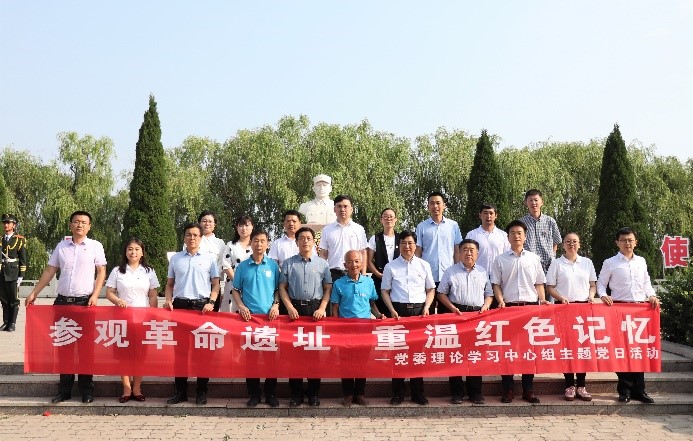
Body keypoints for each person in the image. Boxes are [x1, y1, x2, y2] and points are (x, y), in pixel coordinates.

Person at [25, 211, 107, 404]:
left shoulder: (95, 246)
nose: (80, 225)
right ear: (70, 225)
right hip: (62, 303)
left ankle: (87, 391)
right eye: (76, 221)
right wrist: (34, 293)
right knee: (64, 348)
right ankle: (64, 391)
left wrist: (95, 295)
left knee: (86, 349)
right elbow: (50, 270)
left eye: (84, 222)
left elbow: (101, 271)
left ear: (89, 227)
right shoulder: (61, 246)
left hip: (85, 303)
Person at [597, 227, 659, 404]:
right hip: (619, 310)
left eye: (630, 240)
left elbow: (646, 283)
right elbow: (601, 284)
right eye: (623, 240)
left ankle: (640, 390)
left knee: (638, 351)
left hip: (639, 311)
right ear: (617, 243)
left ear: (635, 242)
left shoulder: (641, 261)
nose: (627, 243)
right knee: (622, 350)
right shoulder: (610, 262)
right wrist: (603, 295)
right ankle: (624, 390)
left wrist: (652, 295)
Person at [491, 219, 549, 404]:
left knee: (528, 350)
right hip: (508, 308)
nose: (516, 236)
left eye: (519, 233)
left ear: (525, 237)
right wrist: (500, 300)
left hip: (529, 308)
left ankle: (528, 390)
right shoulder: (500, 260)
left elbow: (539, 283)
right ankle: (508, 390)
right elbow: (496, 284)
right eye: (512, 233)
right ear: (508, 237)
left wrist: (542, 300)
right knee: (507, 350)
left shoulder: (533, 258)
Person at [164, 222, 220, 406]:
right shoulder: (176, 259)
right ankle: (180, 392)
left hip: (201, 308)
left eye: (196, 235)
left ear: (201, 238)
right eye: (189, 234)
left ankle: (201, 392)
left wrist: (212, 302)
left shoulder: (209, 259)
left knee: (203, 353)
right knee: (180, 352)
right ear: (184, 237)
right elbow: (169, 284)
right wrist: (168, 300)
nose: (192, 238)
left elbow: (216, 285)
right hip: (180, 307)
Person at [278, 226, 332, 407]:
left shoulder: (323, 264)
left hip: (314, 310)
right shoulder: (288, 263)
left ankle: (313, 394)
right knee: (294, 354)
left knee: (314, 354)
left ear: (314, 241)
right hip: (294, 311)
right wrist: (289, 307)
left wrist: (322, 308)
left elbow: (328, 288)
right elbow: (282, 287)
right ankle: (296, 394)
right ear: (297, 241)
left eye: (309, 238)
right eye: (302, 238)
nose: (305, 241)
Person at [380, 230, 435, 406]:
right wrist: (391, 310)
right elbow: (385, 290)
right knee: (398, 353)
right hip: (398, 312)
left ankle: (418, 393)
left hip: (419, 313)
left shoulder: (424, 265)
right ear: (399, 245)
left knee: (418, 354)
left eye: (410, 243)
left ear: (415, 245)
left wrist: (427, 307)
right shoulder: (391, 266)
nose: (407, 246)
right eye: (403, 243)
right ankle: (397, 393)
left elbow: (430, 289)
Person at [437, 239, 494, 405]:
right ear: (460, 253)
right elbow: (441, 293)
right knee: (456, 355)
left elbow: (489, 294)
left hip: (477, 315)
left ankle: (475, 392)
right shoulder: (450, 271)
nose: (469, 253)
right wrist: (452, 308)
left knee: (475, 355)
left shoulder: (483, 272)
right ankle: (457, 393)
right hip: (457, 314)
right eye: (465, 250)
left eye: (472, 250)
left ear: (477, 253)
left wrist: (486, 306)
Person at [105, 238, 159, 403]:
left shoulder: (149, 271)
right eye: (130, 249)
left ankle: (137, 388)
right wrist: (117, 300)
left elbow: (153, 295)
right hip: (122, 319)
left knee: (140, 355)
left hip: (142, 319)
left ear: (142, 252)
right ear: (125, 252)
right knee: (124, 355)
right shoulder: (117, 271)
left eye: (136, 249)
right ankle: (126, 388)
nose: (133, 252)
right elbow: (109, 292)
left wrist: (153, 314)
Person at [232, 229, 281, 408]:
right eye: (256, 241)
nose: (259, 244)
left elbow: (278, 289)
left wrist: (276, 305)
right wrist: (241, 306)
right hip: (249, 320)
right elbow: (235, 290)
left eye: (262, 241)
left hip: (269, 320)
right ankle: (254, 394)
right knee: (251, 359)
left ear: (267, 244)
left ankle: (270, 394)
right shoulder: (243, 267)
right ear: (250, 243)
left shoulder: (273, 266)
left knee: (271, 359)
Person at [546, 232, 597, 402]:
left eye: (575, 241)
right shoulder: (557, 263)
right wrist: (561, 298)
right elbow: (550, 287)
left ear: (579, 244)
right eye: (568, 241)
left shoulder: (587, 263)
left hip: (583, 309)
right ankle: (569, 385)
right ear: (563, 245)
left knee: (582, 346)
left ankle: (581, 385)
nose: (571, 244)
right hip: (564, 308)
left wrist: (591, 296)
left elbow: (592, 285)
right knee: (567, 347)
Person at [331, 250, 384, 407]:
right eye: (350, 261)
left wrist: (378, 315)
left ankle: (360, 393)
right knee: (346, 362)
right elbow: (335, 308)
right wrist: (335, 328)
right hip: (345, 330)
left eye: (356, 261)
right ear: (345, 265)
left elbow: (372, 304)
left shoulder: (369, 283)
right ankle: (348, 394)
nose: (353, 264)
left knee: (362, 362)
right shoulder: (338, 284)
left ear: (361, 264)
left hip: (364, 330)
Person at [415, 191, 462, 313]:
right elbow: (418, 251)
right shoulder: (421, 227)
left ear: (444, 205)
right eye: (432, 203)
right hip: (428, 276)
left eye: (438, 203)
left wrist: (457, 270)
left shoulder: (453, 225)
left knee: (447, 313)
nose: (435, 206)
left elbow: (457, 250)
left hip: (448, 275)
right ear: (428, 206)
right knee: (427, 312)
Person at [319, 195, 368, 283]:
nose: (342, 209)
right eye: (339, 206)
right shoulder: (327, 230)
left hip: (354, 273)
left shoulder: (359, 229)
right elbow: (323, 254)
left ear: (351, 209)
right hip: (333, 274)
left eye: (345, 206)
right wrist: (323, 274)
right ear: (334, 209)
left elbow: (363, 253)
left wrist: (363, 274)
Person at [186, 210, 225, 311]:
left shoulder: (220, 243)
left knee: (212, 315)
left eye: (210, 221)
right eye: (204, 221)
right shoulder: (192, 240)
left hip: (213, 284)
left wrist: (212, 276)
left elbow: (221, 263)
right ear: (199, 223)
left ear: (214, 224)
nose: (207, 224)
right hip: (195, 284)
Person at [366, 208, 400, 315]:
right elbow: (369, 261)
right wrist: (378, 274)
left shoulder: (401, 238)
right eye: (385, 216)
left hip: (398, 280)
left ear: (396, 219)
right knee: (382, 310)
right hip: (379, 279)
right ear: (381, 220)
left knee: (397, 309)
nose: (388, 219)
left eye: (391, 217)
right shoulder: (375, 238)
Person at [520, 189, 562, 275]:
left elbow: (556, 242)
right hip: (529, 266)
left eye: (536, 200)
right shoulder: (521, 223)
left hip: (549, 266)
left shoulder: (550, 221)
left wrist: (552, 256)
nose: (533, 203)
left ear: (542, 202)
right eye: (530, 200)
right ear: (526, 203)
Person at [220, 215, 254, 312]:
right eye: (241, 225)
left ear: (252, 227)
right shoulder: (230, 245)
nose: (244, 228)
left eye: (247, 225)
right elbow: (226, 265)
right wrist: (238, 283)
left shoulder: (256, 245)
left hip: (251, 285)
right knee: (231, 313)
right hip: (233, 284)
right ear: (237, 227)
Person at [464, 203, 509, 274]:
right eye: (485, 213)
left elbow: (507, 257)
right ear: (480, 215)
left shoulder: (503, 235)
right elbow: (466, 256)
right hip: (477, 275)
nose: (488, 216)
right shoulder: (472, 235)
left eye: (491, 213)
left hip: (498, 275)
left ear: (496, 216)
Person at [0, 213, 27, 332]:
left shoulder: (19, 240)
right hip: (2, 272)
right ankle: (6, 322)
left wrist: (21, 275)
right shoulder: (1, 239)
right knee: (4, 299)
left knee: (13, 299)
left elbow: (23, 259)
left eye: (8, 222)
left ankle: (12, 323)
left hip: (13, 272)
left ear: (14, 225)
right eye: (4, 223)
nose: (6, 225)